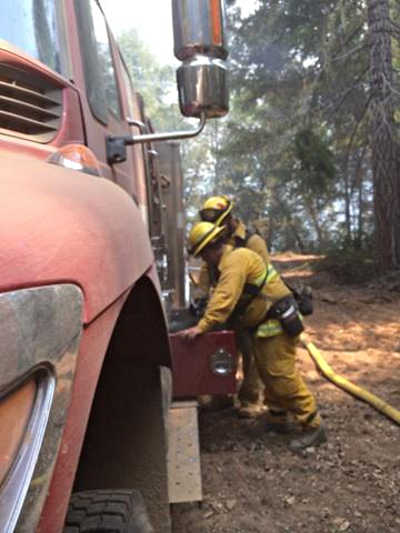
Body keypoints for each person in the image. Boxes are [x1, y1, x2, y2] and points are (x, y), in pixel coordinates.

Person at [182, 221, 327, 451]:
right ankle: (278, 419)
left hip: (275, 321)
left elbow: (224, 299)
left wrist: (202, 326)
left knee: (280, 374)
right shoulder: (227, 262)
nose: (204, 260)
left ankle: (313, 425)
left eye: (202, 255)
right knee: (267, 372)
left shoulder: (234, 262)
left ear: (211, 249)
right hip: (263, 324)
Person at [197, 195, 269, 418]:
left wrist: (238, 300)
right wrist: (201, 297)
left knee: (251, 352)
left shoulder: (251, 242)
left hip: (249, 307)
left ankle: (250, 400)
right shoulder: (215, 242)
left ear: (228, 220)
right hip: (225, 306)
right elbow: (207, 270)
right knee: (221, 350)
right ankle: (221, 396)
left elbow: (262, 278)